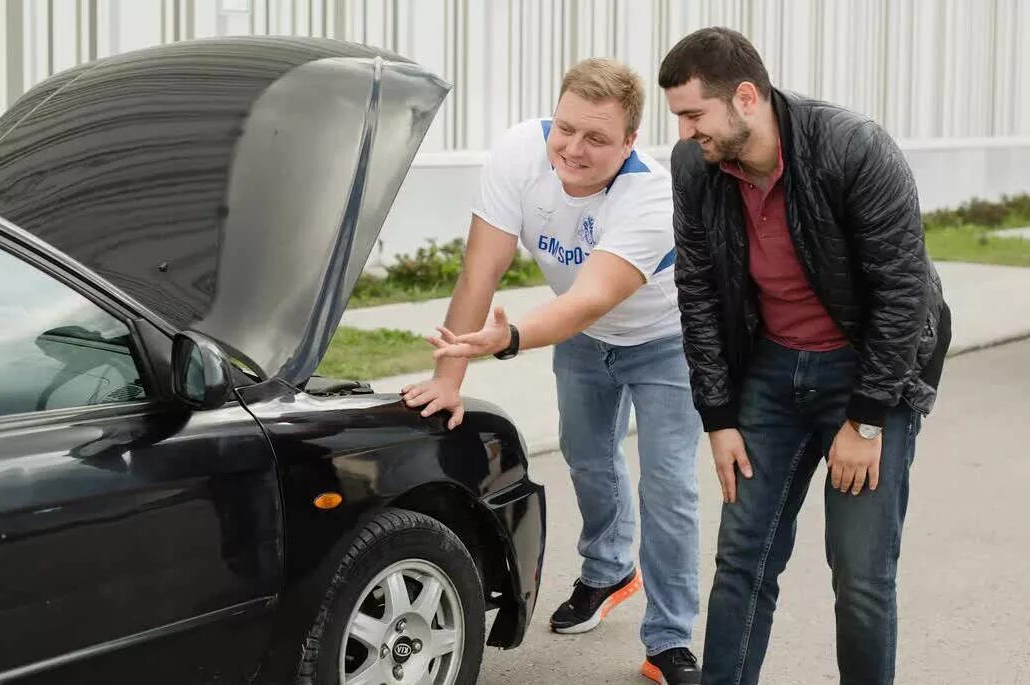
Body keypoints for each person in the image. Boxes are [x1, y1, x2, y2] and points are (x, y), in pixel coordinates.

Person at [657, 27, 952, 685]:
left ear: (745, 98)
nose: (684, 131)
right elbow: (698, 291)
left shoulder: (851, 148)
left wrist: (868, 419)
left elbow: (901, 293)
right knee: (742, 559)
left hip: (872, 369)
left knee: (861, 573)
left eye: (692, 114)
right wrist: (719, 414)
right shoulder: (693, 168)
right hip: (770, 373)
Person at [401, 58, 703, 685]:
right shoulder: (521, 153)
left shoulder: (652, 193)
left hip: (665, 339)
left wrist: (506, 338)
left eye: (596, 138)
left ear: (629, 143)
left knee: (668, 488)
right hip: (586, 342)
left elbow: (585, 298)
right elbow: (479, 272)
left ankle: (670, 639)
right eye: (565, 129)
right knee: (586, 456)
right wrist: (448, 379)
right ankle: (608, 571)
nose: (573, 148)